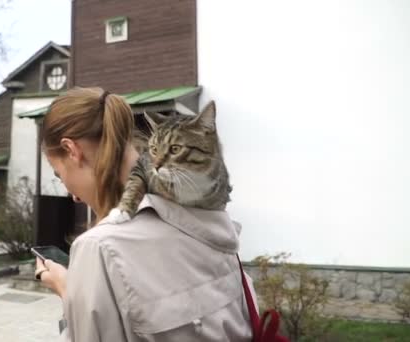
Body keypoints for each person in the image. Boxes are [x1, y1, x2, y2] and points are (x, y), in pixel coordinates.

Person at [36, 87, 256, 341]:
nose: (72, 195)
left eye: (59, 174)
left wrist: (70, 292)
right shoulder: (211, 219)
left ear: (72, 150)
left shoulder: (99, 248)